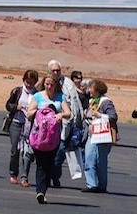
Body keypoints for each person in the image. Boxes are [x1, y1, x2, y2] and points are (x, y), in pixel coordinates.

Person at [27, 73, 71, 204]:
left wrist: (61, 115)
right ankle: (40, 191)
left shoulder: (60, 97)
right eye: (47, 84)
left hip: (53, 137)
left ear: (56, 85)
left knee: (49, 164)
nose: (49, 86)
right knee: (41, 164)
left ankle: (43, 189)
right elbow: (29, 114)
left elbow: (69, 113)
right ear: (43, 84)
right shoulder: (37, 96)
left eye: (52, 84)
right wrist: (39, 112)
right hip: (38, 137)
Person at [47, 60, 84, 188]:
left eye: (58, 70)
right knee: (48, 152)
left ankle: (54, 175)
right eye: (53, 70)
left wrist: (79, 120)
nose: (56, 72)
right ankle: (47, 176)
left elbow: (75, 101)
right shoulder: (46, 83)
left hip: (67, 123)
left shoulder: (68, 83)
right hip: (50, 124)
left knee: (61, 151)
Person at [82, 79, 118, 193]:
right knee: (88, 159)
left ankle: (102, 185)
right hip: (91, 135)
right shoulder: (92, 101)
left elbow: (113, 116)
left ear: (97, 89)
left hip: (103, 136)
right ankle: (91, 184)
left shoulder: (106, 102)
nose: (89, 91)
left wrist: (100, 115)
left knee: (100, 161)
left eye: (91, 88)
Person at [6, 69, 38, 187]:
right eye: (27, 82)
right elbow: (8, 105)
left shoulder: (37, 94)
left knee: (27, 152)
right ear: (23, 80)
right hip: (16, 123)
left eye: (32, 82)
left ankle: (25, 177)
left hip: (30, 126)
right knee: (15, 149)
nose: (29, 85)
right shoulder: (17, 91)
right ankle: (13, 174)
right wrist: (16, 107)